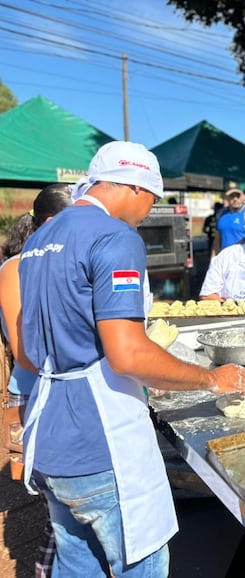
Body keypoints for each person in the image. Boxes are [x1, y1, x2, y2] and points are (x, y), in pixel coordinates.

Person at [19, 141, 245, 577]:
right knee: (141, 564)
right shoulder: (115, 236)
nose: (149, 210)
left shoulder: (40, 239)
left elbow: (31, 353)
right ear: (133, 187)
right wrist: (211, 380)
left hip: (50, 438)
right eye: (152, 198)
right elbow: (127, 353)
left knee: (77, 563)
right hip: (100, 443)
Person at [0, 184, 72, 578]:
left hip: (65, 393)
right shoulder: (15, 270)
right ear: (49, 223)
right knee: (58, 513)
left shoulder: (58, 264)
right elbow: (24, 350)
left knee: (68, 510)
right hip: (33, 395)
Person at [212, 188, 245, 256]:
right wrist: (213, 260)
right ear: (227, 198)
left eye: (238, 196)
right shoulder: (221, 214)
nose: (235, 199)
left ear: (242, 197)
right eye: (232, 196)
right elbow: (217, 240)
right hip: (224, 260)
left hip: (243, 261)